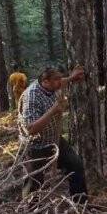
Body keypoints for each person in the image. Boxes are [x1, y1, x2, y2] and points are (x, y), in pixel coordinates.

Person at [18, 66, 87, 203]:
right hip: (35, 146)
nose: (60, 82)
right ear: (45, 81)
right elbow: (31, 129)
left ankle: (81, 205)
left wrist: (72, 78)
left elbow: (62, 81)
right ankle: (32, 211)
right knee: (33, 183)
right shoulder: (31, 97)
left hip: (54, 139)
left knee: (76, 164)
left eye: (60, 78)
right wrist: (54, 110)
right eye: (56, 79)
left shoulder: (52, 85)